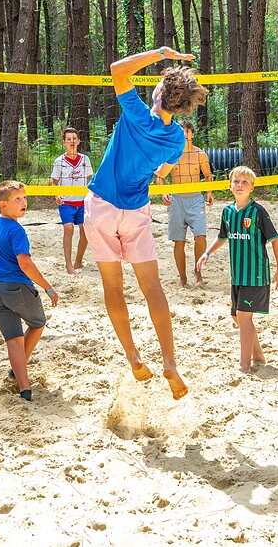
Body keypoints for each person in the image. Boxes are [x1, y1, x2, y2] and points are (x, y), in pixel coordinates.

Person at [84, 46, 208, 400]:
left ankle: (134, 358)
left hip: (103, 205)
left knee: (113, 288)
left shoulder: (136, 113)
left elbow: (116, 68)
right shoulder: (174, 141)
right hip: (137, 209)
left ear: (157, 93)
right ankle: (169, 362)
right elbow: (162, 173)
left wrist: (160, 53)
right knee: (153, 289)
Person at [196, 167, 278, 372]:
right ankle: (258, 355)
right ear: (229, 185)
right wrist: (207, 253)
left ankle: (244, 366)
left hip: (255, 274)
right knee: (237, 316)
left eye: (245, 182)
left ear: (252, 187)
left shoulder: (258, 212)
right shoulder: (228, 212)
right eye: (236, 181)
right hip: (237, 274)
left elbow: (275, 240)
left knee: (244, 317)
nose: (240, 185)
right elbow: (222, 237)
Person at [0, 180, 58, 401]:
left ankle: (24, 390)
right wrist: (48, 287)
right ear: (3, 205)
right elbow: (25, 264)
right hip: (14, 287)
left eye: (24, 197)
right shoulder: (16, 230)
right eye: (18, 199)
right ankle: (18, 373)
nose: (24, 202)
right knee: (38, 323)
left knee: (14, 340)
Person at [158, 120, 215, 286]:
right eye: (179, 132)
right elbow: (160, 176)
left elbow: (208, 175)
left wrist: (209, 192)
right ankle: (182, 278)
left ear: (192, 134)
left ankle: (197, 272)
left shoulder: (200, 154)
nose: (182, 135)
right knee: (179, 241)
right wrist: (164, 193)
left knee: (201, 237)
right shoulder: (171, 154)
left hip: (196, 199)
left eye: (185, 132)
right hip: (176, 200)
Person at [50, 128, 94, 274]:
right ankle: (68, 264)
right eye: (69, 139)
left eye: (74, 138)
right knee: (68, 228)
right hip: (66, 202)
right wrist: (57, 195)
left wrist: (90, 196)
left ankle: (78, 261)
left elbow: (89, 180)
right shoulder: (59, 161)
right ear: (64, 143)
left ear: (79, 141)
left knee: (85, 231)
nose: (72, 141)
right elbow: (54, 182)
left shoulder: (85, 159)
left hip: (82, 201)